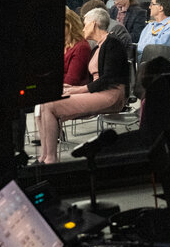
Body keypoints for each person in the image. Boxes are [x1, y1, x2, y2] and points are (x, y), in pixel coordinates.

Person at [38, 9, 126, 164]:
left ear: (93, 24)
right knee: (44, 103)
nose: (83, 27)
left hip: (111, 94)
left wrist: (78, 90)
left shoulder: (113, 43)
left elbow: (108, 78)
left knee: (50, 105)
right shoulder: (98, 47)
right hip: (98, 92)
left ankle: (50, 159)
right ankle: (44, 156)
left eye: (85, 23)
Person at [61, 7, 93, 88]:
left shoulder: (81, 48)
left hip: (73, 90)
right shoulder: (64, 44)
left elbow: (72, 81)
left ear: (69, 26)